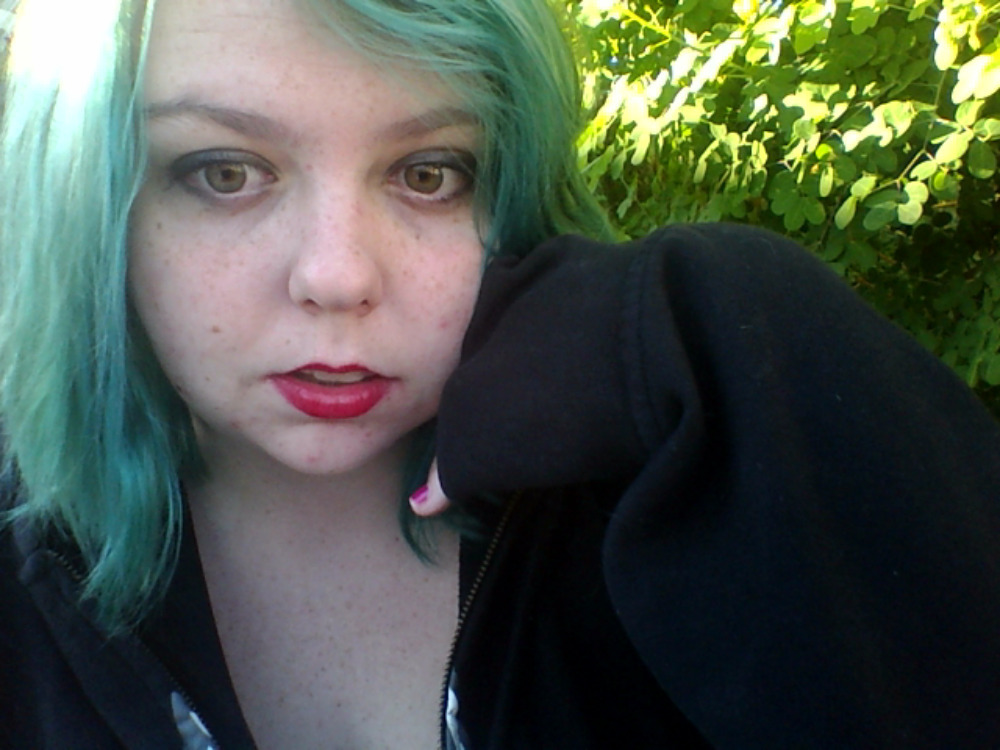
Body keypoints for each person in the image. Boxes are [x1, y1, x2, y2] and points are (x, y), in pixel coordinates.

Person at [1, 0, 998, 748]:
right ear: (88, 204)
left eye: (429, 172)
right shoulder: (24, 567)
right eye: (224, 171)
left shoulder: (654, 505)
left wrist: (747, 334)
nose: (337, 276)